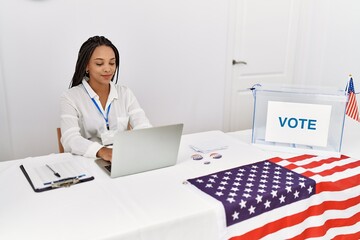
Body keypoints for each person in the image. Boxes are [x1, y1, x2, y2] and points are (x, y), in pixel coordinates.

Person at [60, 36, 152, 161]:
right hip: (88, 162)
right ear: (87, 66)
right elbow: (70, 139)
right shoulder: (71, 97)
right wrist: (101, 151)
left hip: (121, 159)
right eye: (99, 63)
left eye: (112, 63)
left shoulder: (125, 93)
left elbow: (143, 126)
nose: (108, 69)